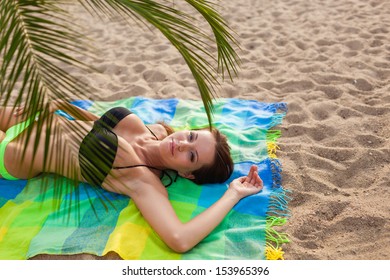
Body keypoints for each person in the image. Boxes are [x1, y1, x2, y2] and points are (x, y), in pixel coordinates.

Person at [0, 100, 263, 253]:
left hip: (13, 152)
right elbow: (97, 125)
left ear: (187, 173)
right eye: (191, 136)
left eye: (191, 156)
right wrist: (61, 105)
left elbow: (179, 239)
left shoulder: (142, 180)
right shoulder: (157, 130)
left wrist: (233, 194)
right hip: (35, 115)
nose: (182, 144)